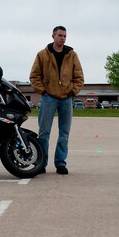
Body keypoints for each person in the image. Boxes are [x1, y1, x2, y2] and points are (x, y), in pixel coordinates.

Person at [30, 26, 84, 175]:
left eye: (65, 36)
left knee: (64, 133)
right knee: (44, 133)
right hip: (49, 99)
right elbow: (34, 76)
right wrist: (44, 91)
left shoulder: (71, 55)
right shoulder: (42, 55)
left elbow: (79, 77)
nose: (63, 38)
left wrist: (73, 91)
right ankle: (41, 163)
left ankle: (60, 163)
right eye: (60, 35)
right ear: (53, 36)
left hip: (66, 99)